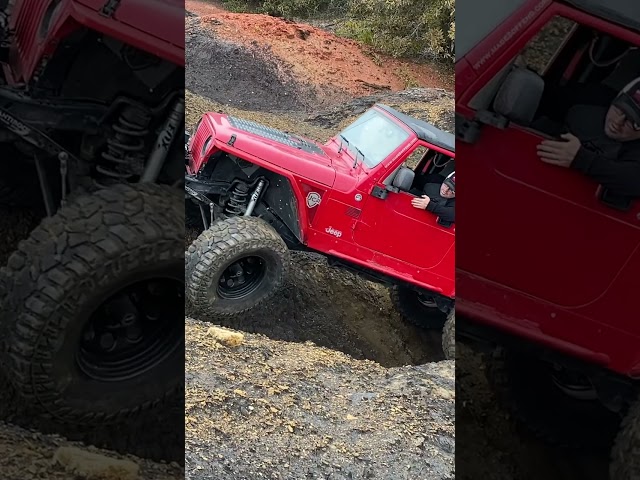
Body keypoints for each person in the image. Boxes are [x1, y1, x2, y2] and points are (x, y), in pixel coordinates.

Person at [536, 76, 640, 199]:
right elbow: (545, 94)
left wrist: (581, 159)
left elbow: (634, 181)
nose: (617, 122)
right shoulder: (591, 99)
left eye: (631, 122)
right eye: (619, 109)